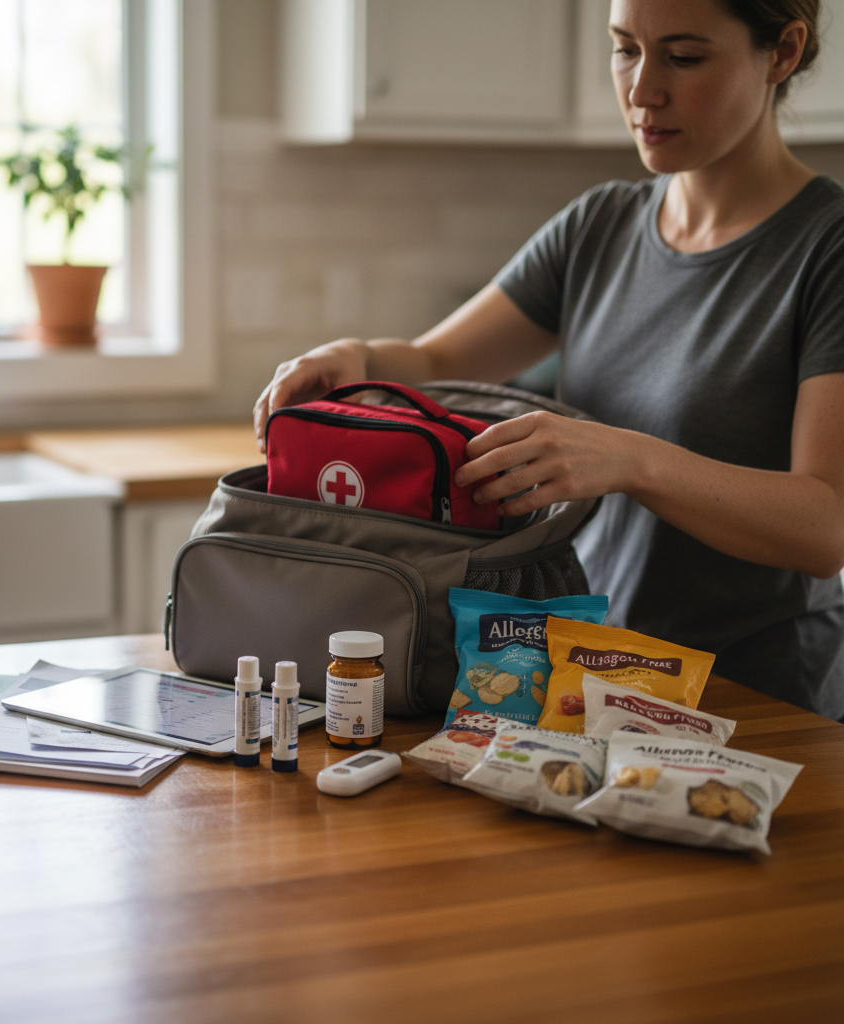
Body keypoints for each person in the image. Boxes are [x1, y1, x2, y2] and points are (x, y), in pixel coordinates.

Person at [252, 0, 844, 720]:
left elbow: (827, 525)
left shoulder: (826, 251)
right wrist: (358, 356)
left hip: (760, 697)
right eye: (626, 49)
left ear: (782, 52)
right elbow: (439, 356)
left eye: (683, 57)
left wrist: (630, 460)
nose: (642, 89)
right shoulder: (601, 225)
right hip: (595, 678)